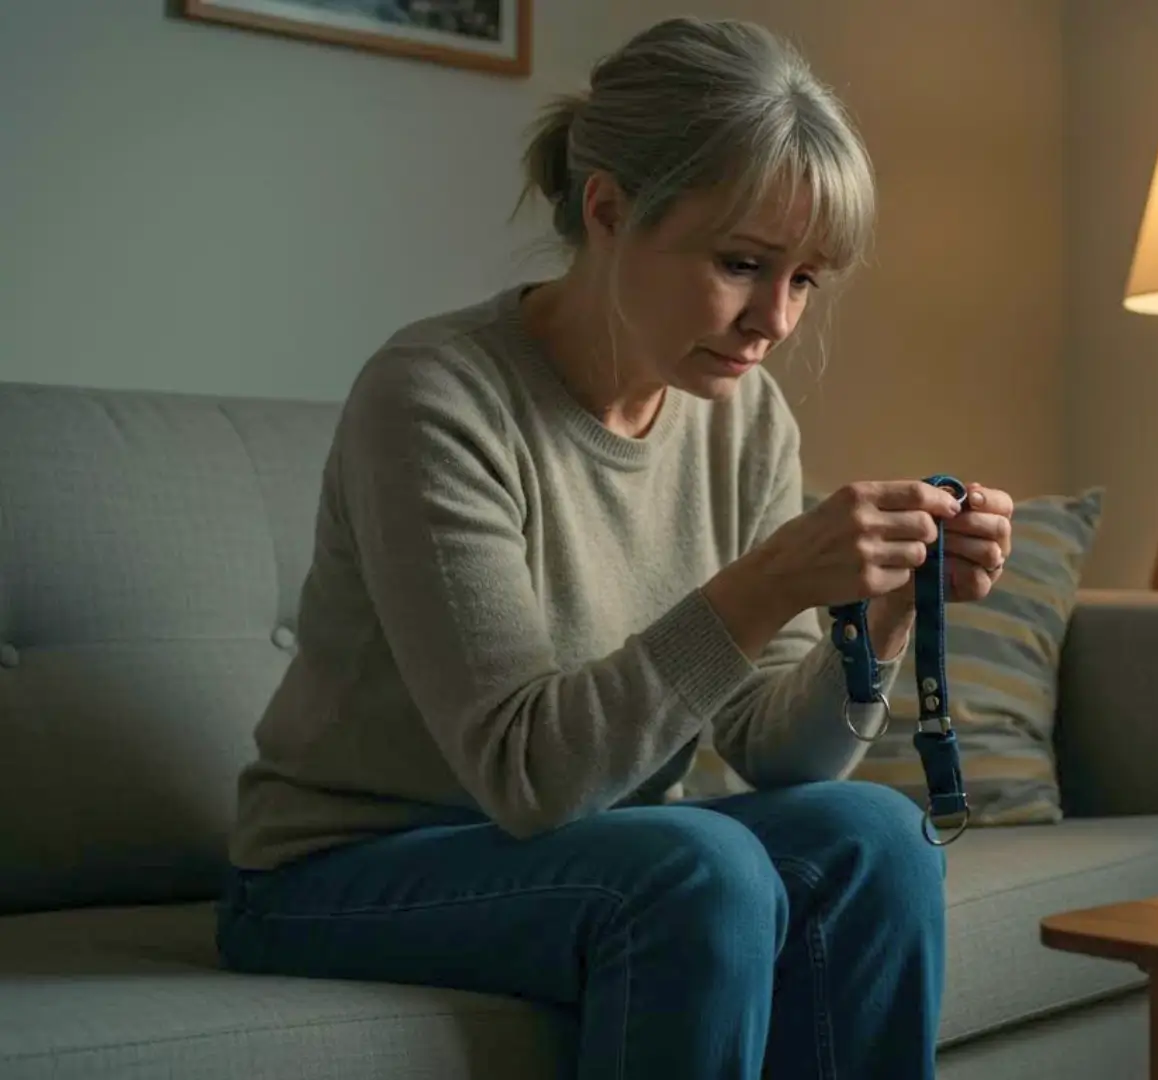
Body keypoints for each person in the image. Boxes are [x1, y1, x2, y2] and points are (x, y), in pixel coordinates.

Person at [212, 16, 1015, 1080]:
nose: (774, 318)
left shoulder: (744, 417)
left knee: (874, 839)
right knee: (701, 868)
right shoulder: (437, 397)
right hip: (341, 872)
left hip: (595, 854)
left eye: (806, 279)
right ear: (608, 210)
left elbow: (779, 754)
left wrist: (885, 607)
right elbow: (529, 776)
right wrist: (768, 580)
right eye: (742, 263)